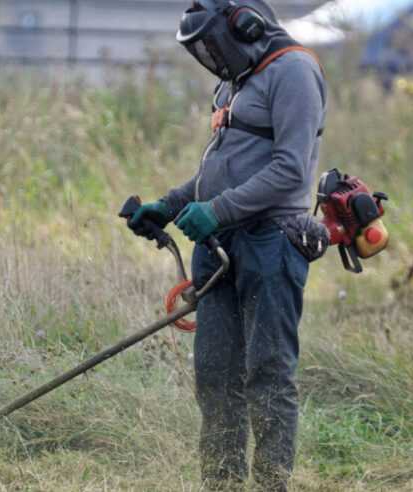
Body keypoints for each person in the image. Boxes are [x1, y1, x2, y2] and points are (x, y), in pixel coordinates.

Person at [128, 1, 327, 490]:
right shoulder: (234, 83)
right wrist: (169, 204)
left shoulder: (295, 72)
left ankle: (271, 484)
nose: (211, 57)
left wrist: (215, 211)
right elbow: (220, 169)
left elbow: (290, 171)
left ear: (246, 26)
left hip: (272, 242)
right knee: (216, 374)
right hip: (219, 246)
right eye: (202, 50)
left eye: (214, 45)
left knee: (268, 373)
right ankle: (221, 483)